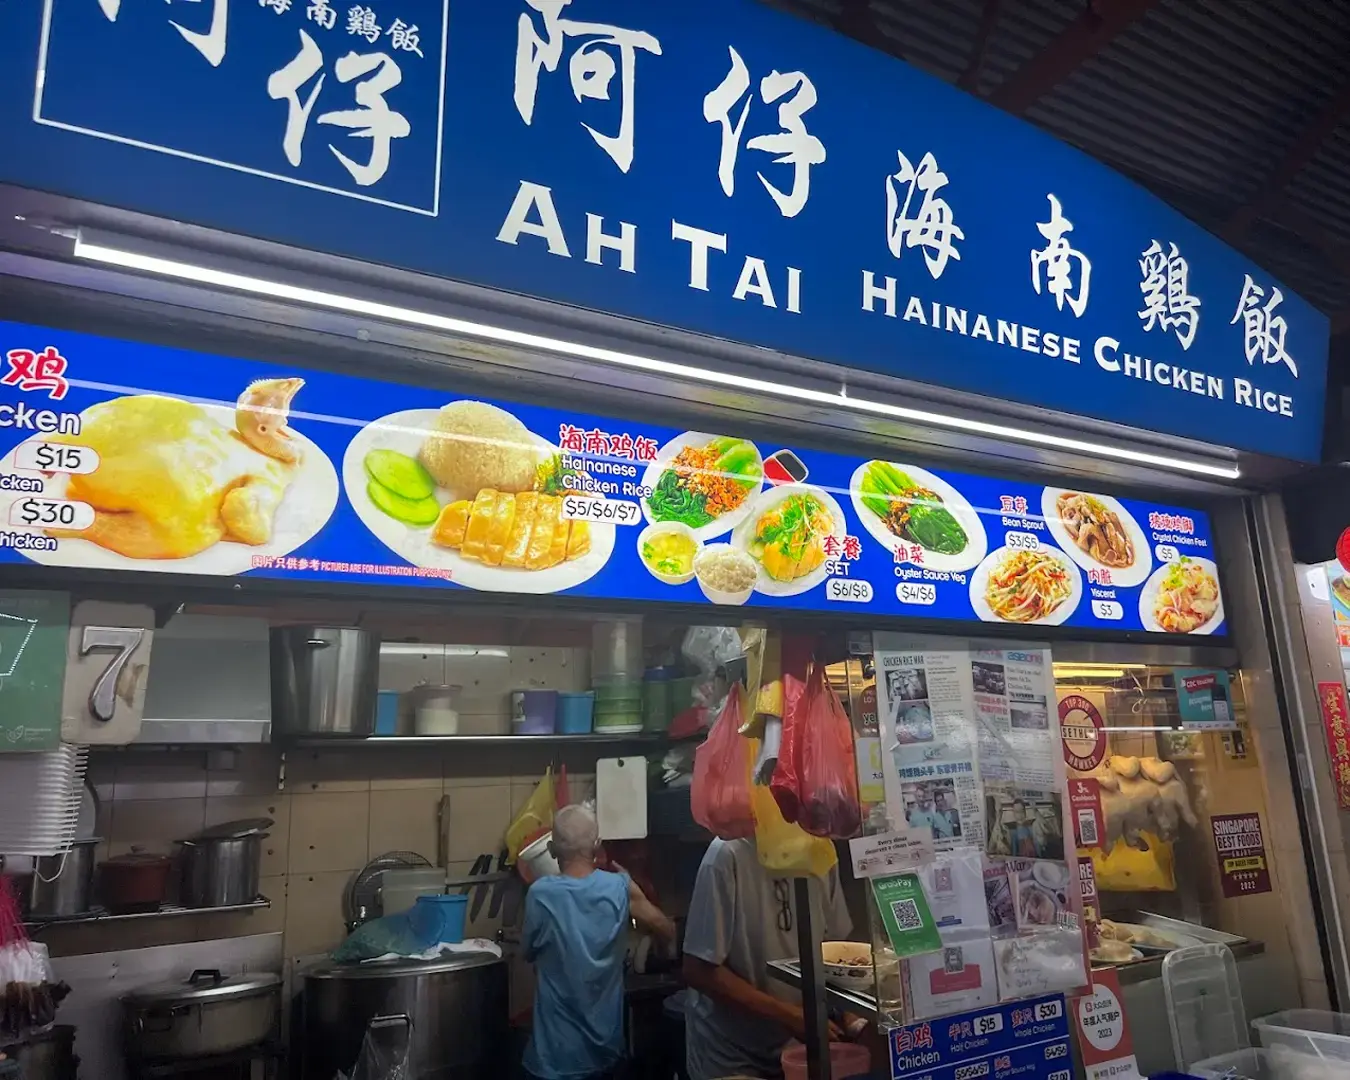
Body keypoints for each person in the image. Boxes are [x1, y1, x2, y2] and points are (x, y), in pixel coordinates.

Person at [682, 835, 856, 1080]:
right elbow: (698, 970)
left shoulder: (820, 848)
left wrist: (851, 1014)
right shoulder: (726, 853)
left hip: (794, 1047)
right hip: (730, 1055)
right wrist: (789, 1015)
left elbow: (837, 950)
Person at [522, 805, 676, 1080]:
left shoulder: (540, 894)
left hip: (555, 1056)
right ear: (597, 845)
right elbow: (666, 928)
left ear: (553, 850)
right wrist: (662, 947)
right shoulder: (619, 887)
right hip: (605, 1052)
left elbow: (527, 951)